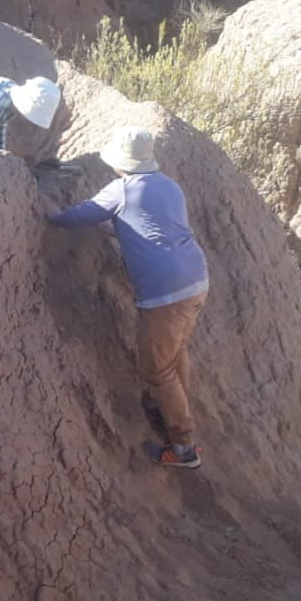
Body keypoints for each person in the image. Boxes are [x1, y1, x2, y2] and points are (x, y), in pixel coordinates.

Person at [48, 127, 209, 469]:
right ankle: (161, 405)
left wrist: (47, 212)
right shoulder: (169, 185)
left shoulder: (122, 189)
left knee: (156, 369)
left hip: (164, 292)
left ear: (121, 163)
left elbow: (76, 216)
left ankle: (184, 449)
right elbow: (153, 226)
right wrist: (116, 227)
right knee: (175, 351)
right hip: (196, 279)